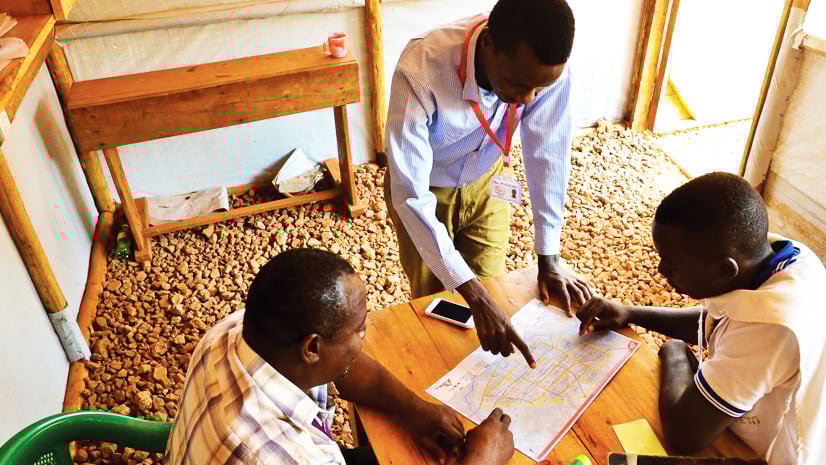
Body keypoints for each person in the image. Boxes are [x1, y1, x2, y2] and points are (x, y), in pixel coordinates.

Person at [384, 0, 591, 368]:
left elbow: (548, 154)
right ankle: (444, 377)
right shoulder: (422, 69)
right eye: (517, 84)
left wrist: (549, 257)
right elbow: (410, 193)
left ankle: (481, 378)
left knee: (492, 286)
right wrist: (474, 297)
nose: (527, 99)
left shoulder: (544, 69)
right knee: (439, 302)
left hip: (488, 178)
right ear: (489, 44)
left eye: (539, 89)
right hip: (427, 191)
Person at [165, 248, 516, 465]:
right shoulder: (290, 457)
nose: (364, 339)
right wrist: (483, 460)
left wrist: (414, 409)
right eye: (359, 330)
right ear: (312, 349)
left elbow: (345, 369)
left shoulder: (236, 330)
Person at [576, 173, 826, 465]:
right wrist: (630, 312)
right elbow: (722, 320)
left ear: (725, 270)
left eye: (671, 264)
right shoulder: (790, 259)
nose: (660, 270)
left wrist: (675, 352)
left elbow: (684, 434)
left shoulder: (771, 328)